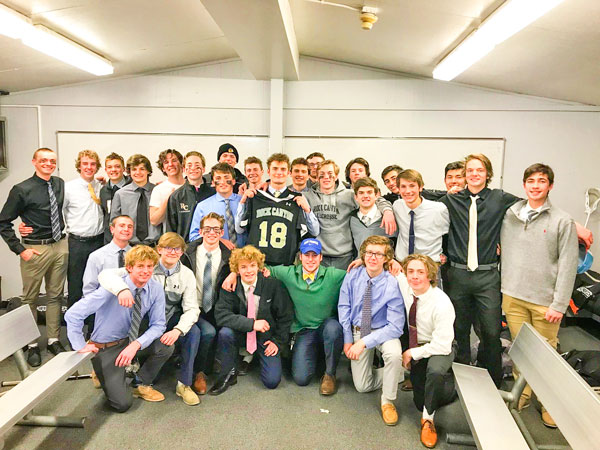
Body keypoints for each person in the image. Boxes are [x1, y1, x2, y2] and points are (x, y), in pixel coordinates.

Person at [501, 163, 578, 428]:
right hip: (513, 296)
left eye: (541, 181)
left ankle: (549, 405)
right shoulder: (510, 215)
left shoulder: (563, 220)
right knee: (520, 349)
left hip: (545, 301)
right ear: (524, 185)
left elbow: (568, 265)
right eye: (531, 181)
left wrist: (559, 304)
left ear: (550, 186)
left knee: (546, 356)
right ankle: (521, 395)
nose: (535, 185)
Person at [98, 232, 213, 406]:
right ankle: (117, 371)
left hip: (169, 317)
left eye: (177, 249)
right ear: (159, 249)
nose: (172, 252)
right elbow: (106, 275)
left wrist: (178, 330)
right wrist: (122, 290)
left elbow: (191, 308)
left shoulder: (187, 274)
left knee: (194, 331)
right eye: (168, 248)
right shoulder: (147, 267)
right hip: (142, 318)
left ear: (182, 252)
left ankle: (184, 384)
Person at [223, 238, 345, 395]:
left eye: (314, 255)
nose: (310, 259)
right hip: (304, 330)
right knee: (301, 379)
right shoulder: (287, 273)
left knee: (333, 328)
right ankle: (317, 357)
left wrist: (361, 262)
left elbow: (360, 274)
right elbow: (255, 265)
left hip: (325, 327)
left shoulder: (334, 275)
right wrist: (233, 273)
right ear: (300, 257)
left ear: (321, 257)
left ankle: (330, 374)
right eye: (306, 255)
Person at [65, 245, 173, 412]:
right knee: (122, 404)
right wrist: (80, 345)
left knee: (166, 345)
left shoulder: (155, 288)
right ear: (129, 268)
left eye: (150, 266)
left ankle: (139, 382)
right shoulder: (112, 289)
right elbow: (72, 314)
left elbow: (159, 324)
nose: (146, 271)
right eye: (140, 266)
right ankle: (104, 372)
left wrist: (136, 345)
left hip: (129, 342)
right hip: (107, 347)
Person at [0, 148, 68, 366]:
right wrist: (20, 249)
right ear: (34, 162)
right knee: (29, 299)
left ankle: (54, 339)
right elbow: (3, 222)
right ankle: (31, 344)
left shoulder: (59, 184)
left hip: (59, 246)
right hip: (35, 250)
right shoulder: (21, 189)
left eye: (52, 161)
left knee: (55, 296)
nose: (48, 163)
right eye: (44, 160)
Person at [338, 235, 405, 426]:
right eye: (369, 253)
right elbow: (344, 307)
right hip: (359, 329)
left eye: (378, 254)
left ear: (386, 258)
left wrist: (363, 343)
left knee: (393, 354)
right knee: (362, 386)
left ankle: (388, 401)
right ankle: (398, 373)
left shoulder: (392, 283)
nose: (373, 257)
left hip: (384, 330)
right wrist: (348, 338)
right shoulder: (352, 275)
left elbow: (395, 326)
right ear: (363, 255)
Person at [210, 245, 293, 395]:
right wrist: (252, 324)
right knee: (225, 333)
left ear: (259, 266)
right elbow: (221, 315)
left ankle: (252, 358)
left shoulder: (272, 285)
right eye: (244, 267)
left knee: (272, 381)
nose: (249, 271)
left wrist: (277, 341)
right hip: (241, 333)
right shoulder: (230, 286)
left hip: (265, 337)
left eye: (253, 266)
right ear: (237, 270)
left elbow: (285, 316)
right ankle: (228, 374)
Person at [398, 254, 456, 449]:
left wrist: (411, 354)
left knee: (435, 372)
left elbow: (443, 345)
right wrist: (361, 260)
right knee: (418, 401)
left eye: (420, 272)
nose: (414, 276)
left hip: (439, 346)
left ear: (430, 276)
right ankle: (432, 389)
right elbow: (389, 264)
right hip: (417, 342)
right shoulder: (406, 286)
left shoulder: (442, 303)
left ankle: (428, 421)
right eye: (411, 272)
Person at [305, 159, 396, 269]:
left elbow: (375, 199)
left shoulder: (349, 194)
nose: (326, 177)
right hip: (320, 254)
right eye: (322, 174)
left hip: (344, 255)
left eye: (330, 174)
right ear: (317, 177)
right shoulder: (308, 196)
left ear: (336, 176)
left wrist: (387, 211)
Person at [236, 153, 319, 265]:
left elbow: (315, 231)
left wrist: (308, 210)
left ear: (288, 173)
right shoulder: (255, 196)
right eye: (275, 169)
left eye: (283, 169)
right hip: (257, 263)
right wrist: (242, 202)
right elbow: (239, 229)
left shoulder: (296, 199)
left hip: (285, 264)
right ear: (268, 172)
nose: (279, 172)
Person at [180, 212, 232, 385]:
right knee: (208, 332)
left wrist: (235, 272)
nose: (212, 233)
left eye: (216, 229)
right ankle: (199, 372)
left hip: (216, 306)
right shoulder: (187, 252)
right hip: (193, 305)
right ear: (200, 231)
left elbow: (250, 264)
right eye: (207, 229)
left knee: (218, 332)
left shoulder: (229, 256)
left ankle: (207, 368)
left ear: (222, 233)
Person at [63, 150, 105, 311]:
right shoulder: (68, 188)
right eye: (85, 163)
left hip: (99, 242)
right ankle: (74, 329)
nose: (89, 167)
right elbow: (57, 212)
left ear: (97, 167)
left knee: (98, 286)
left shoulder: (102, 186)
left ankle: (94, 328)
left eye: (93, 164)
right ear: (79, 166)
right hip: (77, 243)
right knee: (75, 285)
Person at [393, 169, 449, 284]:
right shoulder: (397, 206)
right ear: (398, 189)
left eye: (412, 186)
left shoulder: (438, 209)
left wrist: (446, 254)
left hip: (429, 266)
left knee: (430, 301)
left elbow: (449, 233)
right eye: (403, 186)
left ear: (420, 187)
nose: (408, 191)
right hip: (403, 266)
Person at [111, 154, 160, 246]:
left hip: (155, 246)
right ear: (129, 172)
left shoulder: (158, 191)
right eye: (134, 169)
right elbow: (114, 222)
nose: (138, 172)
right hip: (129, 246)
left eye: (142, 169)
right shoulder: (120, 194)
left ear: (148, 171)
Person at [189, 163, 242, 246]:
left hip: (244, 254)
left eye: (226, 177)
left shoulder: (244, 202)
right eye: (218, 178)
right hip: (216, 254)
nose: (223, 182)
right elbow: (194, 236)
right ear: (213, 182)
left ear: (234, 181)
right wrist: (218, 240)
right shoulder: (202, 206)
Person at [166, 151, 215, 242]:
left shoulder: (214, 193)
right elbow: (171, 230)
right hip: (185, 248)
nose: (193, 168)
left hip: (210, 245)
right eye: (189, 165)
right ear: (184, 170)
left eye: (197, 165)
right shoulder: (176, 197)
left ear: (203, 169)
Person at [83, 215, 134, 296]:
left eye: (130, 227)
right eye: (122, 226)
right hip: (105, 304)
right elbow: (89, 289)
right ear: (112, 229)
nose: (126, 229)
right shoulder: (96, 257)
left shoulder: (137, 256)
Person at [350, 177, 396, 253]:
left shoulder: (388, 218)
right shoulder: (352, 218)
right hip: (360, 262)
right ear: (356, 197)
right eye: (361, 193)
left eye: (369, 192)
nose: (365, 196)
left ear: (376, 195)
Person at [99, 152, 131, 243]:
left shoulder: (133, 187)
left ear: (123, 169)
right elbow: (106, 215)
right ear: (105, 170)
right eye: (109, 167)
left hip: (131, 240)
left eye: (117, 166)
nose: (113, 170)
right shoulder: (103, 191)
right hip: (111, 240)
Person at [149, 149, 185, 229]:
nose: (171, 164)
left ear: (181, 164)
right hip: (171, 238)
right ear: (163, 168)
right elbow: (154, 221)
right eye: (166, 162)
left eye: (174, 160)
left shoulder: (191, 186)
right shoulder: (159, 189)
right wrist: (168, 200)